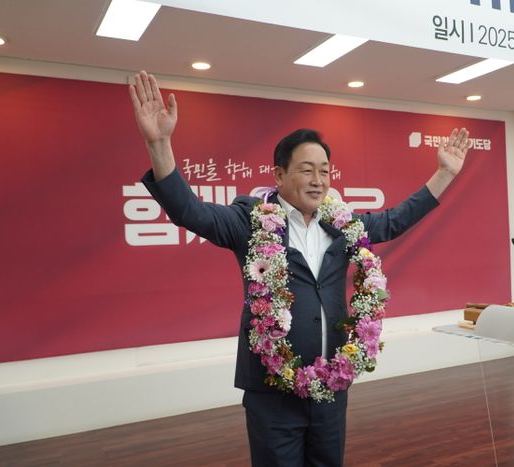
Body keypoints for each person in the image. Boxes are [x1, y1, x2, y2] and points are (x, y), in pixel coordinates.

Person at [129, 70, 470, 466]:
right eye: (307, 170)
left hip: (331, 388)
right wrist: (159, 143)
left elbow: (396, 220)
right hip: (272, 392)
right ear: (279, 175)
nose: (318, 180)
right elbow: (189, 211)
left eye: (324, 171)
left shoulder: (343, 225)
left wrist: (445, 174)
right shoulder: (250, 222)